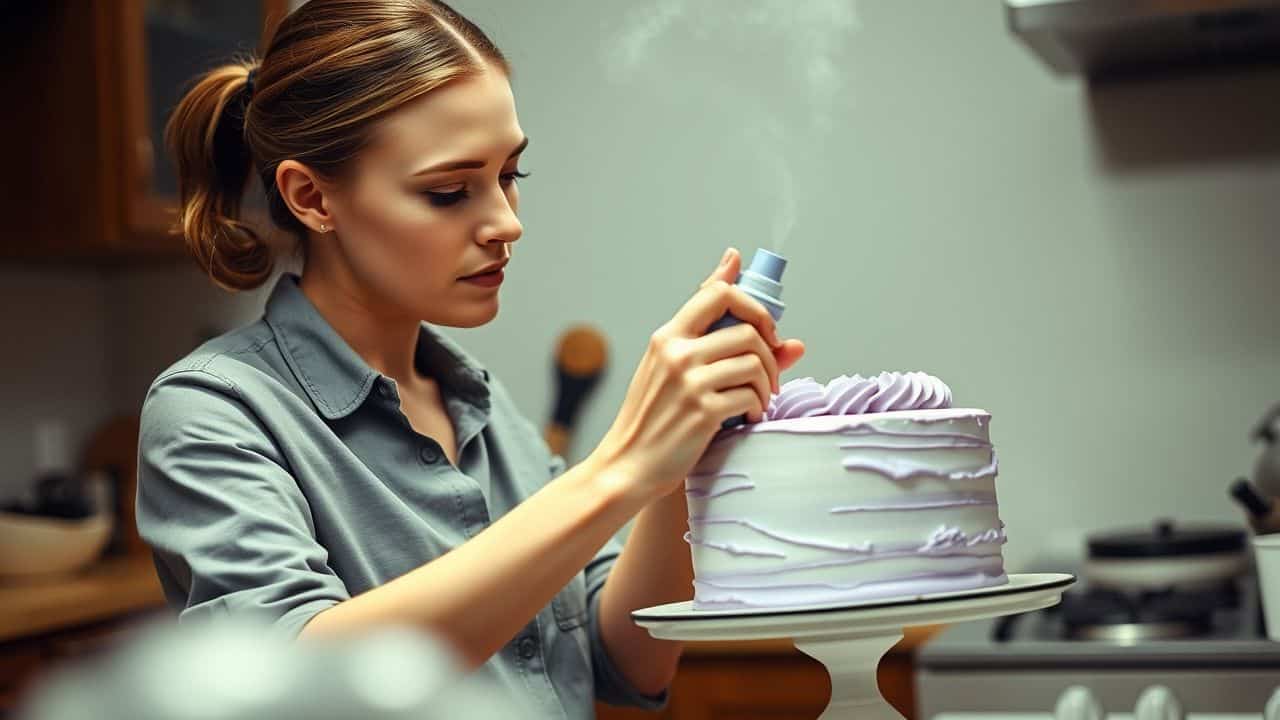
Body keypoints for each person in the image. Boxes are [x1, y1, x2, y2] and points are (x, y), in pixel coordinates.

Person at [136, 0, 806, 716]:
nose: (506, 223)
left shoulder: (484, 410)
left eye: (510, 175)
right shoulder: (212, 414)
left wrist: (677, 464)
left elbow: (630, 661)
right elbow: (302, 692)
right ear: (312, 198)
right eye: (450, 191)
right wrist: (623, 464)